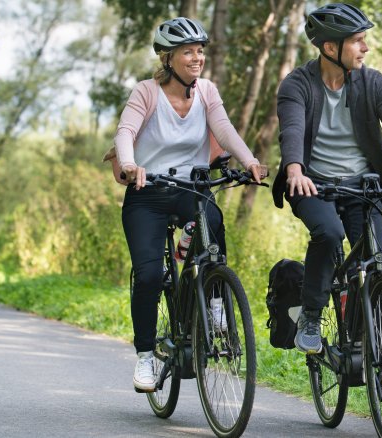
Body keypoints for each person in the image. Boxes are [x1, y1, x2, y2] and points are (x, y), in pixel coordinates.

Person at [272, 2, 382, 360]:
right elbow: (290, 128)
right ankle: (310, 316)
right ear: (329, 47)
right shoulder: (297, 84)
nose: (365, 48)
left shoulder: (373, 83)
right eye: (357, 41)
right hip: (313, 184)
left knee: (374, 259)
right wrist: (294, 168)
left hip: (363, 186)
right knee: (328, 233)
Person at [102, 17, 263, 393]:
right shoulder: (146, 92)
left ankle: (215, 305)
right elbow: (125, 131)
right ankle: (145, 355)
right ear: (168, 57)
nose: (197, 58)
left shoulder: (206, 91)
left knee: (212, 224)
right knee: (150, 276)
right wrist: (129, 164)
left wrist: (250, 160)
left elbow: (223, 129)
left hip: (192, 189)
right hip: (148, 194)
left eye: (200, 51)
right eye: (188, 52)